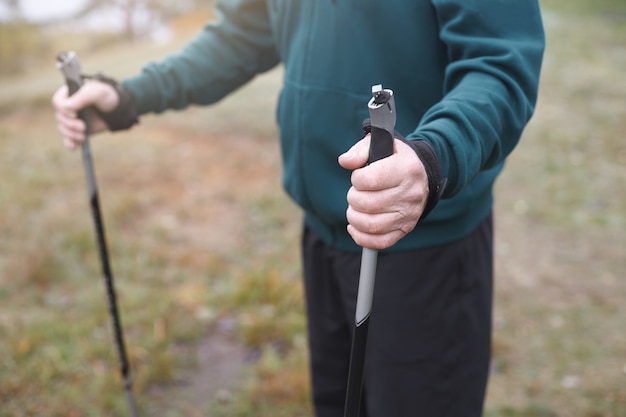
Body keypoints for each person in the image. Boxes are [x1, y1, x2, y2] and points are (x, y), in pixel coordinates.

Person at [52, 1, 546, 416]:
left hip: (425, 252)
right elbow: (245, 32)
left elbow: (499, 62)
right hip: (325, 233)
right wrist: (130, 96)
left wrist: (437, 154)